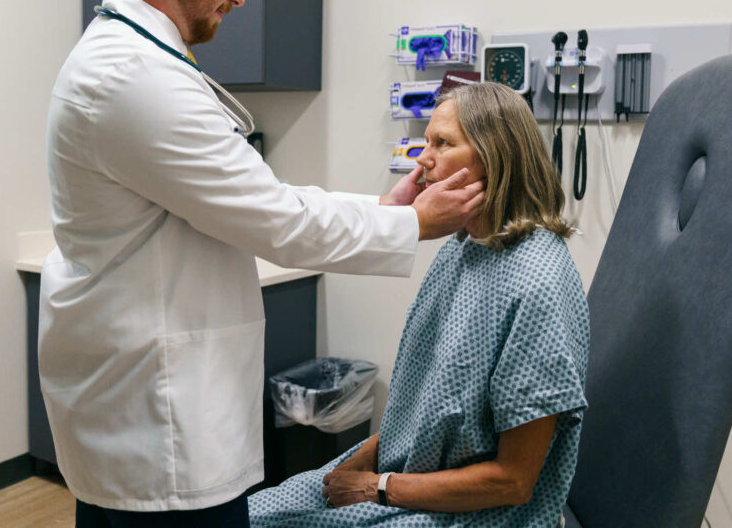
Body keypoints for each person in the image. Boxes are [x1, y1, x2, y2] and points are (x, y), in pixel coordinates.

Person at [39, 0, 483, 527]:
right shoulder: (136, 79)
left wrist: (385, 209)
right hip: (161, 436)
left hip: (131, 416)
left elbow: (252, 196)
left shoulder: (128, 61)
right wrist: (413, 224)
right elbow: (279, 220)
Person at [248, 82, 590, 528]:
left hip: (485, 515)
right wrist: (365, 461)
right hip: (410, 477)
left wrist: (379, 487)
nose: (422, 158)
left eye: (441, 143)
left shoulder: (536, 281)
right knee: (250, 515)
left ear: (494, 156)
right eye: (425, 141)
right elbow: (420, 407)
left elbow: (513, 482)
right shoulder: (465, 248)